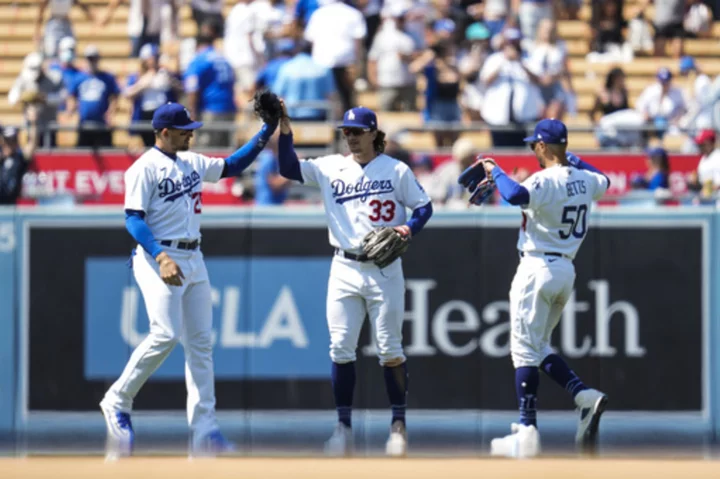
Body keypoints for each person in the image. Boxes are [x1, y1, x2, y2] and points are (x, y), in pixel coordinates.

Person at [99, 102, 278, 459]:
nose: (190, 134)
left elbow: (233, 165)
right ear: (164, 132)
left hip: (194, 257)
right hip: (157, 257)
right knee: (165, 333)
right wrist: (160, 256)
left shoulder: (193, 161)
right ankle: (117, 400)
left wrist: (265, 131)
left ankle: (205, 430)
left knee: (200, 345)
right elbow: (133, 220)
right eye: (184, 130)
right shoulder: (143, 169)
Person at [276, 104, 433, 457]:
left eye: (358, 132)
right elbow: (287, 167)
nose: (351, 137)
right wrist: (286, 129)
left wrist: (407, 227)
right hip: (344, 266)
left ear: (374, 134)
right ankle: (343, 427)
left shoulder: (396, 169)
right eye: (346, 132)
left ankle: (397, 425)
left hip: (384, 267)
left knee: (390, 349)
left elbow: (424, 207)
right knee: (340, 347)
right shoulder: (331, 166)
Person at [464, 119, 610, 458]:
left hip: (537, 266)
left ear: (543, 147)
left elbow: (514, 194)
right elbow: (607, 180)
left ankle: (527, 431)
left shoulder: (543, 180)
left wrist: (494, 168)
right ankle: (582, 395)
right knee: (538, 344)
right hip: (565, 270)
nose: (533, 151)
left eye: (535, 145)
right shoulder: (585, 179)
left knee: (523, 351)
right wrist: (571, 157)